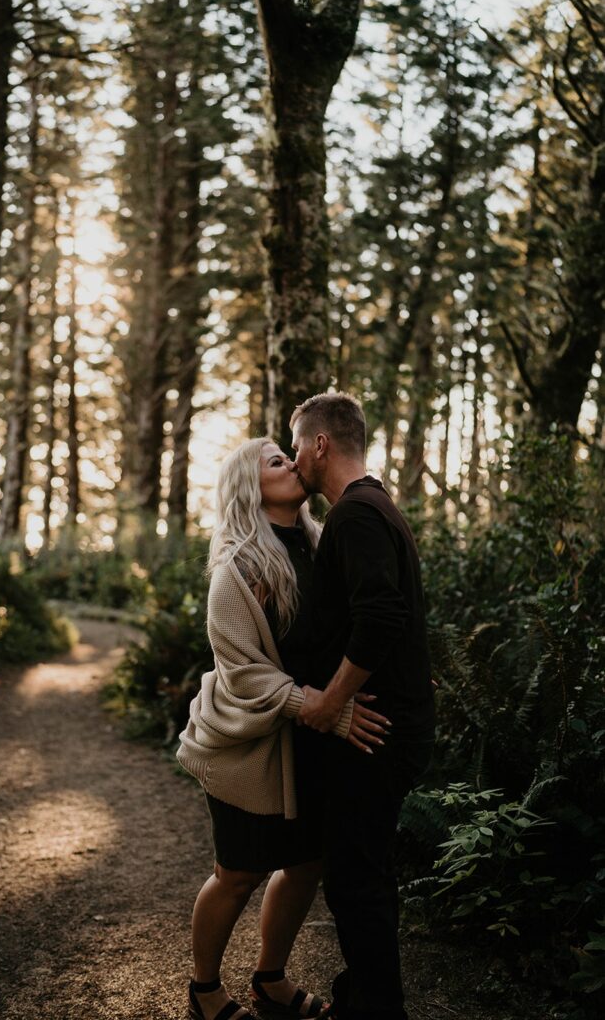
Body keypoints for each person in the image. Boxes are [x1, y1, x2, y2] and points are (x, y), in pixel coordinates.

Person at [177, 437, 389, 1020]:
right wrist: (325, 708)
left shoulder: (324, 545)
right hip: (247, 743)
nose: (292, 464)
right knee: (239, 872)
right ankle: (203, 991)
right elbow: (244, 675)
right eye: (276, 460)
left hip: (308, 741)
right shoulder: (237, 569)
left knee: (305, 863)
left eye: (289, 455)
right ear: (250, 485)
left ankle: (269, 980)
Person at [290, 393, 436, 1020]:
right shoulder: (374, 509)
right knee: (364, 873)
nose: (294, 457)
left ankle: (378, 1009)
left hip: (375, 732)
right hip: (386, 728)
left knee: (354, 880)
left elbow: (380, 617)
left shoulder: (357, 515)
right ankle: (365, 997)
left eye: (296, 443)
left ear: (320, 444)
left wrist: (329, 701)